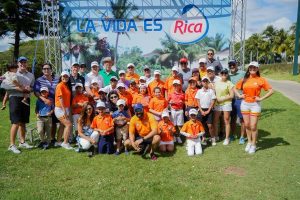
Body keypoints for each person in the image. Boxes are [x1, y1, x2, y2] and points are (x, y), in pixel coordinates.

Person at [235, 61, 273, 154]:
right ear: (248, 68)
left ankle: (254, 145)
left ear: (257, 69)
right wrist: (240, 96)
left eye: (254, 67)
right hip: (244, 104)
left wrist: (261, 98)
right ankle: (249, 142)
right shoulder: (244, 79)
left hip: (255, 105)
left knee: (253, 126)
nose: (252, 69)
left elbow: (271, 90)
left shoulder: (261, 80)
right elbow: (234, 88)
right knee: (247, 124)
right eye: (251, 67)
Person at [1, 57, 35, 154]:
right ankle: (12, 145)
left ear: (27, 63)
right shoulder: (11, 73)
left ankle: (22, 142)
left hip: (26, 99)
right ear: (18, 63)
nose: (23, 64)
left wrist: (30, 89)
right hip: (15, 98)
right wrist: (21, 89)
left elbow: (33, 87)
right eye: (21, 62)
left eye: (25, 62)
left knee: (23, 122)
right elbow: (3, 85)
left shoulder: (31, 75)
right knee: (15, 122)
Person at [33, 63, 60, 146]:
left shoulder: (57, 79)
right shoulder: (39, 80)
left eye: (48, 68)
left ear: (51, 70)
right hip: (44, 104)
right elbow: (36, 92)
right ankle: (43, 140)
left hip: (55, 104)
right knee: (44, 122)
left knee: (54, 122)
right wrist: (44, 100)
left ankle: (52, 138)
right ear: (42, 70)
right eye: (44, 69)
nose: (46, 70)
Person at [213, 69, 234, 146]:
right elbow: (212, 90)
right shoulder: (216, 83)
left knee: (226, 120)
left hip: (226, 103)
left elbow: (232, 95)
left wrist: (222, 98)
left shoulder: (229, 83)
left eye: (225, 73)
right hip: (217, 104)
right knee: (215, 120)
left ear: (227, 74)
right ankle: (215, 136)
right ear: (219, 74)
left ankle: (227, 138)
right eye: (222, 73)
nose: (224, 74)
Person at [228, 59, 246, 144]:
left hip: (240, 99)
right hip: (231, 100)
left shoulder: (243, 73)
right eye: (230, 65)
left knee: (242, 119)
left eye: (233, 64)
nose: (232, 66)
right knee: (232, 118)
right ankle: (232, 134)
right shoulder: (227, 75)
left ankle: (242, 137)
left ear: (236, 65)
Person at [195, 77, 216, 145]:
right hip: (201, 110)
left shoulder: (211, 91)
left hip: (209, 110)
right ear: (201, 82)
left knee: (210, 125)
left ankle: (213, 138)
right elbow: (198, 101)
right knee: (202, 125)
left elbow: (213, 101)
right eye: (204, 81)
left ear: (208, 82)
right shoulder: (199, 91)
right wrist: (201, 111)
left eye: (206, 81)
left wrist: (208, 110)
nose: (205, 82)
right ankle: (203, 138)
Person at [54, 71, 73, 150]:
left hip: (65, 108)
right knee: (68, 125)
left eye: (66, 77)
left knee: (62, 125)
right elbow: (60, 98)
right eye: (63, 76)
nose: (65, 78)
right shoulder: (60, 85)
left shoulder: (66, 86)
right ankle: (65, 143)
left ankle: (58, 142)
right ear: (61, 77)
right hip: (60, 109)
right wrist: (64, 110)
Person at [168, 80, 185, 144]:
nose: (175, 86)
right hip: (173, 110)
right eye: (174, 85)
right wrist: (170, 102)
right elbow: (168, 102)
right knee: (174, 125)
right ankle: (174, 136)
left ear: (179, 86)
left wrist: (182, 102)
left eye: (177, 85)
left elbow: (184, 101)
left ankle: (178, 136)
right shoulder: (171, 93)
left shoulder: (182, 94)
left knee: (179, 125)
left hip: (180, 110)